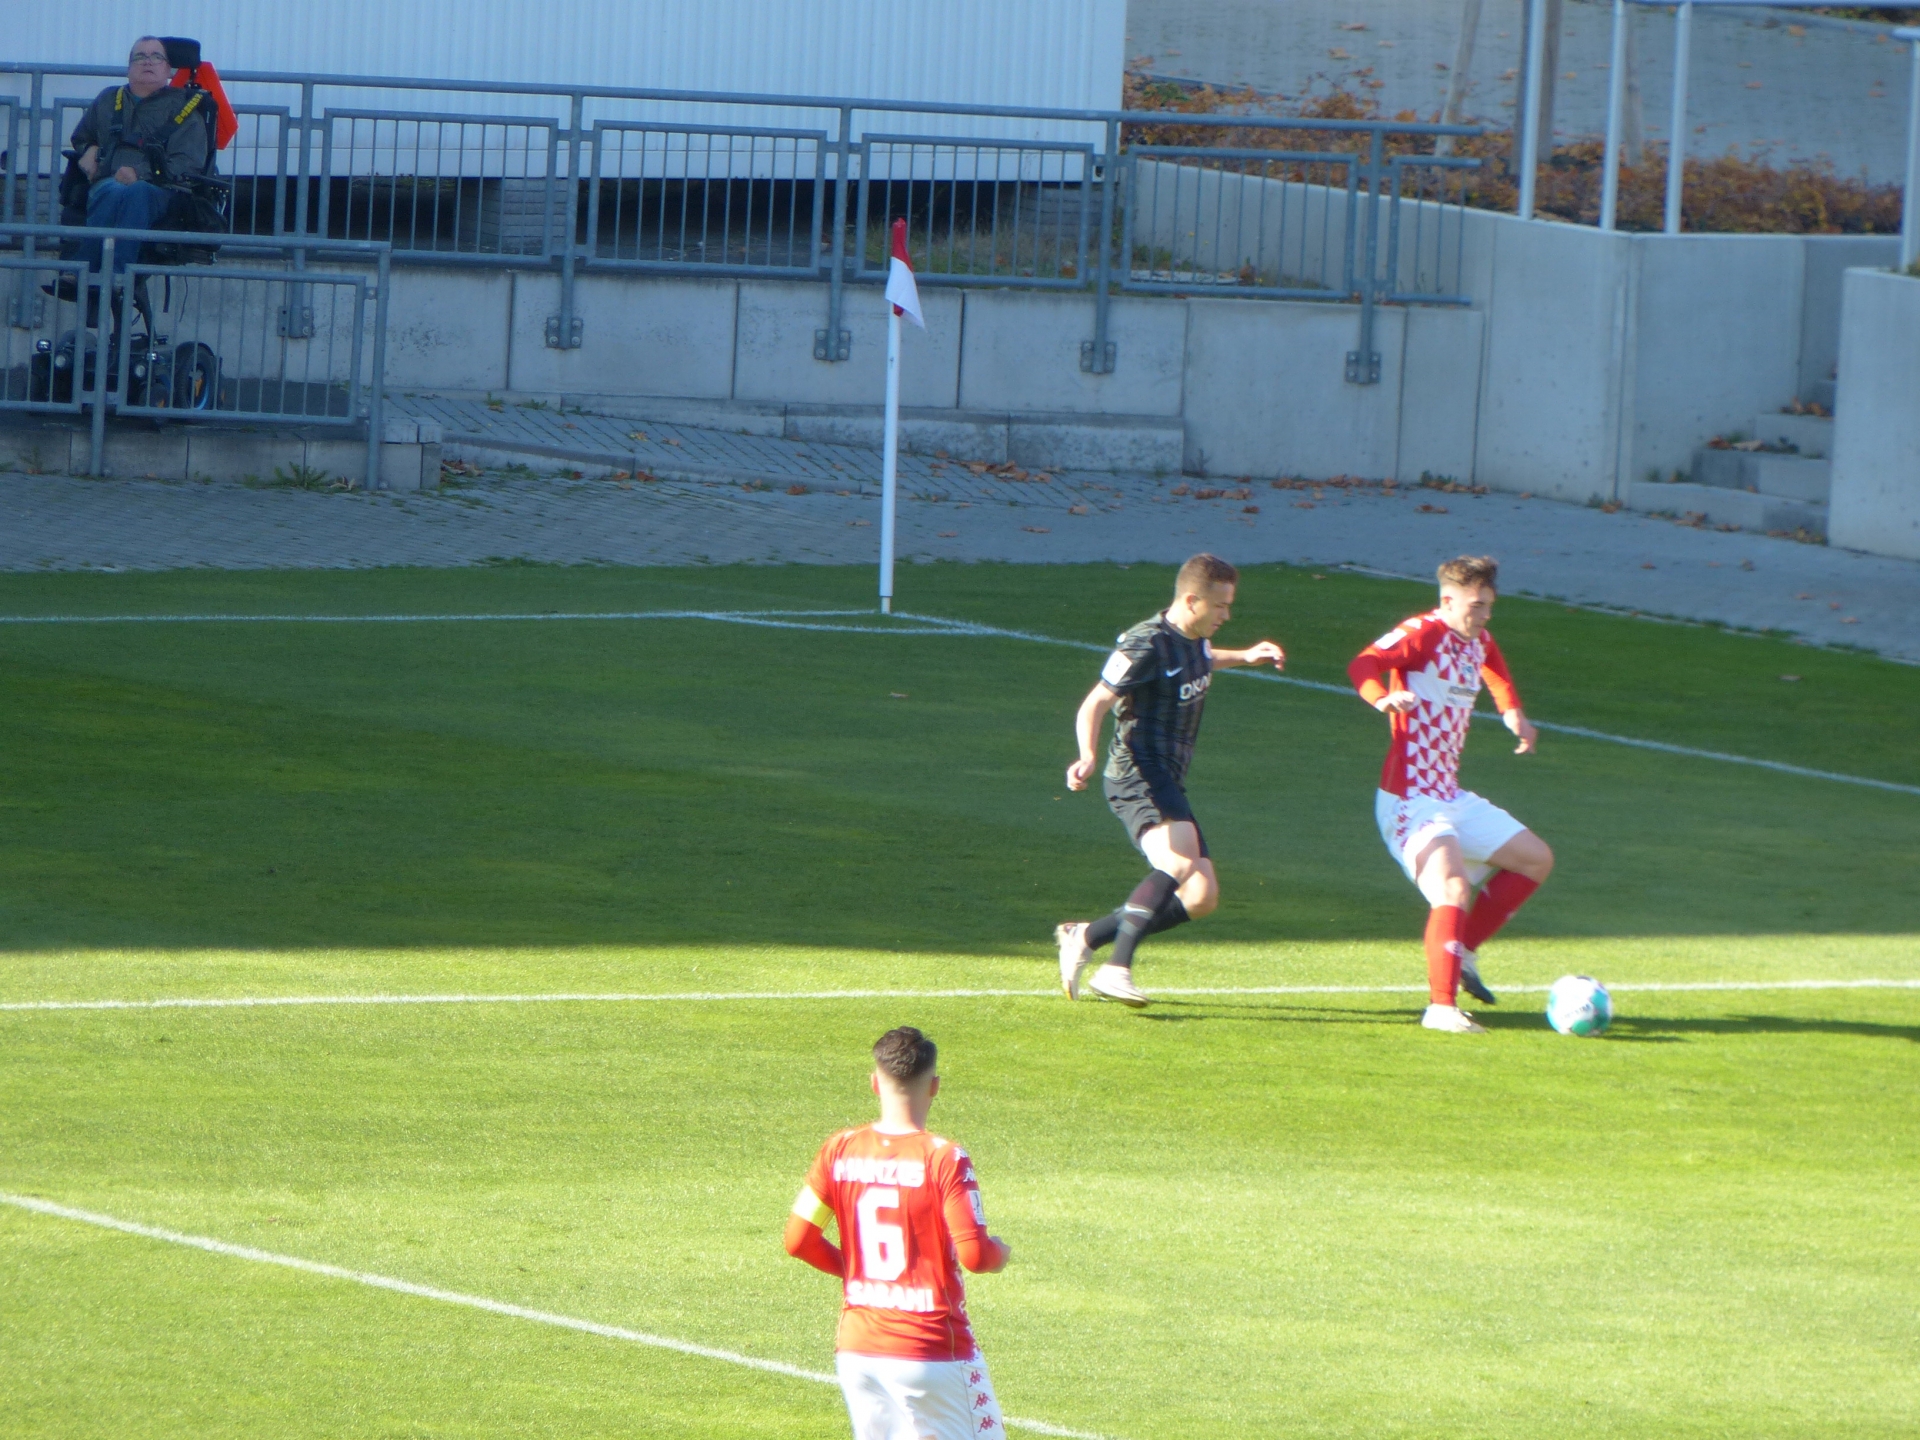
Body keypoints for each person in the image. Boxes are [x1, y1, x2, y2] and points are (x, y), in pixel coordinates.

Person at [1055, 553, 1286, 1007]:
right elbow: (1095, 702)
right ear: (1192, 600)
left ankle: (1085, 935)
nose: (1226, 615)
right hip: (1137, 772)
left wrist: (1246, 655)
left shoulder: (1195, 639)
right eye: (1220, 606)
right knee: (1178, 862)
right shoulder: (1144, 645)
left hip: (1169, 778)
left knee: (1201, 896)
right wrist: (1087, 755)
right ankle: (1116, 969)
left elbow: (1202, 660)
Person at [1347, 555, 1555, 1034]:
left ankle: (1465, 953)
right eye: (1476, 606)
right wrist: (1382, 698)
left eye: (1489, 606)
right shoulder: (1421, 633)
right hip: (1409, 798)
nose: (1484, 615)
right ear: (1447, 601)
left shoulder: (1478, 639)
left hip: (1448, 793)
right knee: (1453, 888)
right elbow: (1363, 663)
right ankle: (1441, 1008)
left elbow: (1494, 668)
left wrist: (1512, 712)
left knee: (1536, 859)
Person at [785, 1026, 1013, 1440]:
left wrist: (859, 1272)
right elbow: (976, 1257)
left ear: (875, 1082)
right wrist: (1000, 1253)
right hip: (931, 1350)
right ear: (935, 1086)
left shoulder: (839, 1148)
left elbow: (798, 1240)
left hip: (858, 1350)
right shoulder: (944, 1158)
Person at [65, 37, 211, 272]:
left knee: (136, 191)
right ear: (129, 68)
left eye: (156, 57)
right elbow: (82, 137)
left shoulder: (184, 107)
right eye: (140, 56)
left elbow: (187, 162)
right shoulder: (108, 99)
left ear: (168, 69)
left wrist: (139, 173)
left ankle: (93, 272)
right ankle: (108, 275)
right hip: (108, 180)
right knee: (112, 190)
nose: (147, 62)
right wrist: (89, 149)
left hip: (161, 189)